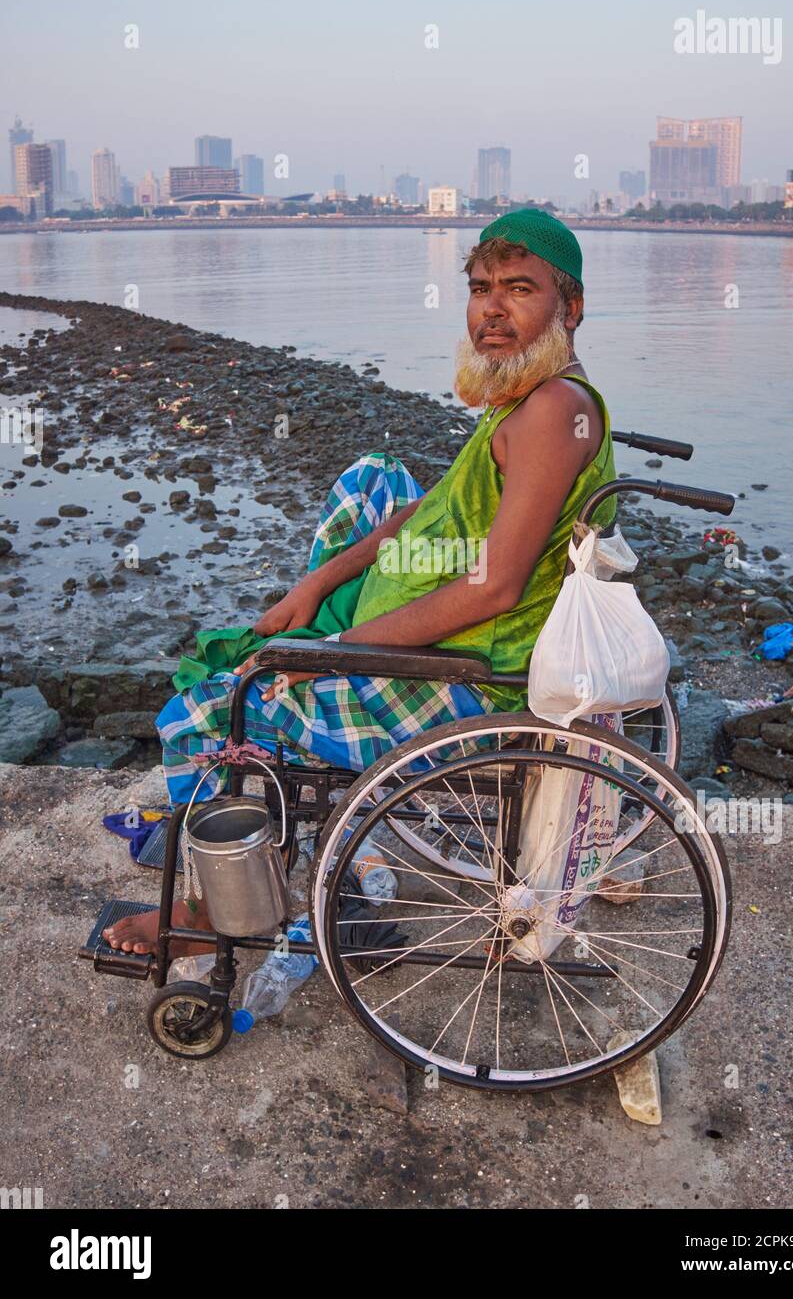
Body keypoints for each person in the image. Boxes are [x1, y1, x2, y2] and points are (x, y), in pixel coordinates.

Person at [103, 208, 617, 955]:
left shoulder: (552, 412)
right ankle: (316, 637)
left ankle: (217, 914)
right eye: (479, 289)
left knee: (203, 713)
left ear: (569, 308)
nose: (492, 310)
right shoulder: (534, 396)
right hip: (454, 621)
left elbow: (494, 589)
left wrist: (337, 650)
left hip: (478, 680)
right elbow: (427, 510)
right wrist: (317, 586)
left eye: (519, 290)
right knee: (374, 480)